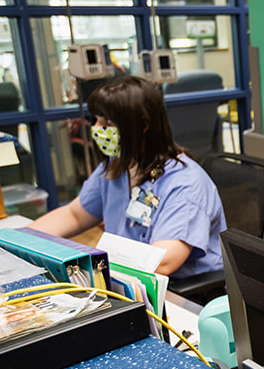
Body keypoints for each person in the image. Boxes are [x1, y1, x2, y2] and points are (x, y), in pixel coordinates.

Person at [30, 76, 226, 279]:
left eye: (108, 121)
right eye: (95, 119)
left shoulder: (186, 184)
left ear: (143, 124)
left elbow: (164, 262)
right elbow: (75, 215)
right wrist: (19, 239)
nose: (97, 128)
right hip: (126, 277)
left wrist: (88, 266)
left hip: (182, 292)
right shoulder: (117, 165)